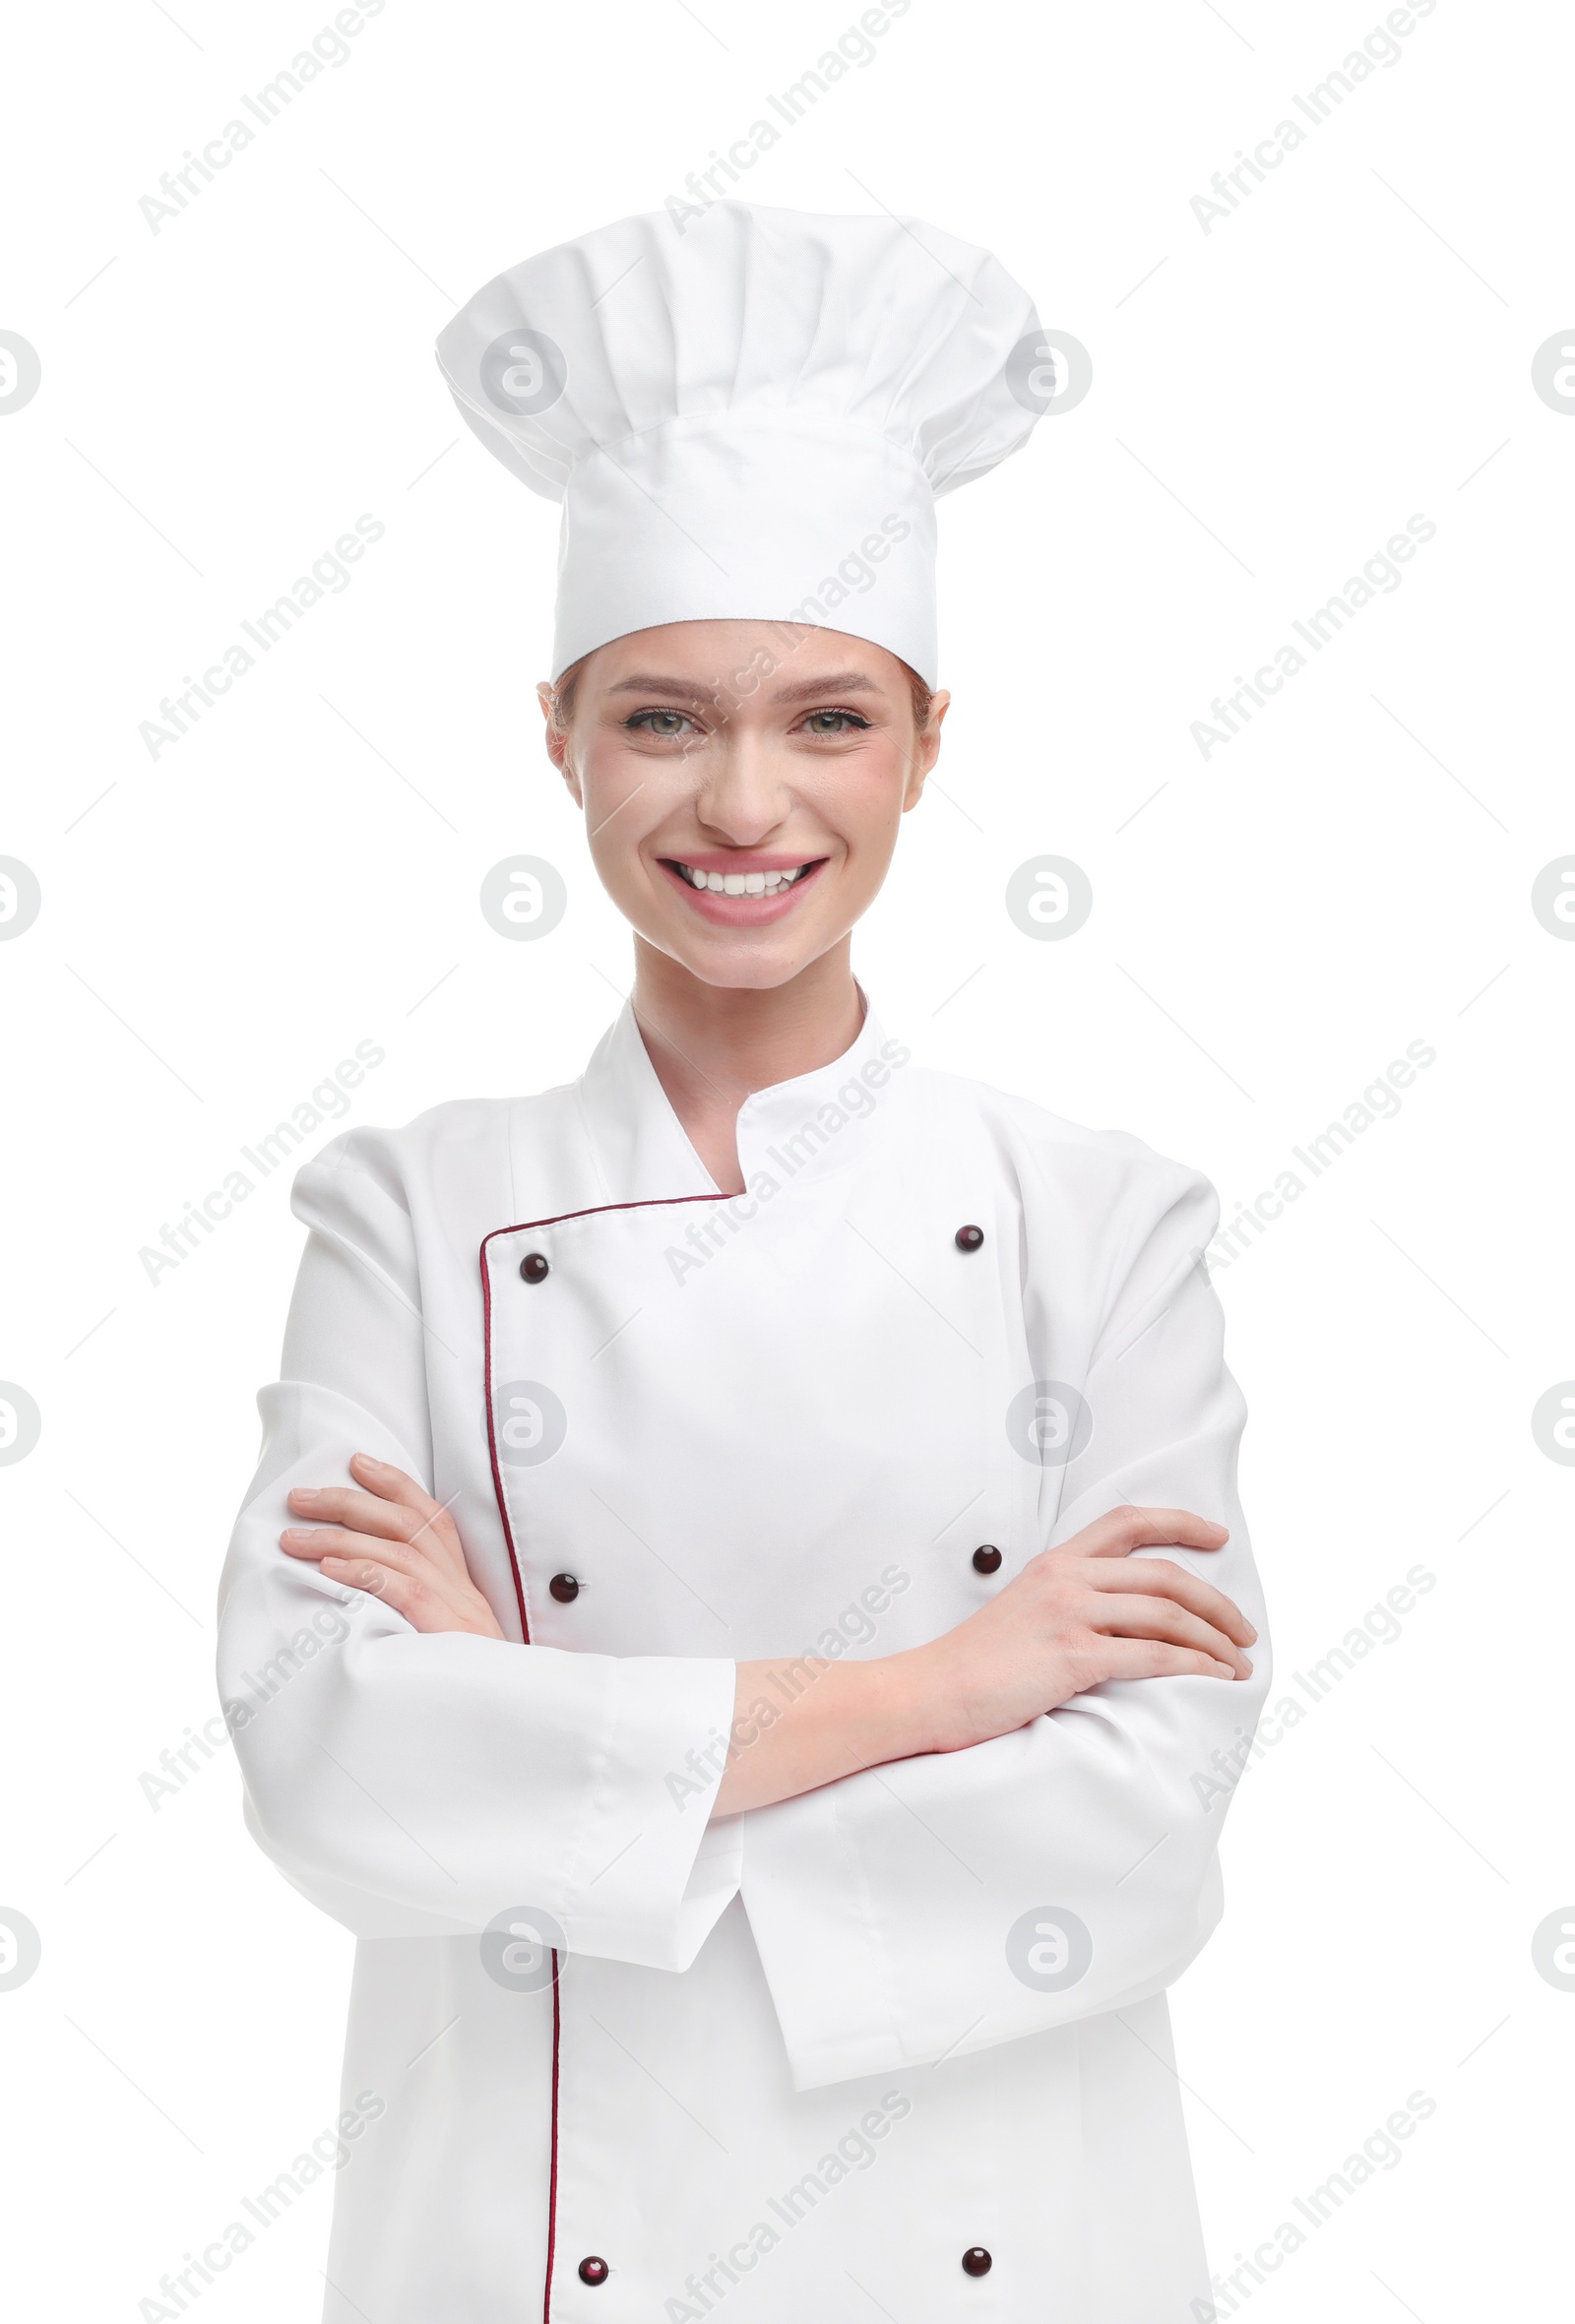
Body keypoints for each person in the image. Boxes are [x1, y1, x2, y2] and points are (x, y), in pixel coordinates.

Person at [218, 199, 1269, 2324]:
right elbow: (333, 1762)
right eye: (662, 718)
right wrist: (949, 1690)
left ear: (925, 745)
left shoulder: (1105, 1223)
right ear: (560, 737)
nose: (743, 803)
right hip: (514, 2250)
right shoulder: (402, 1213)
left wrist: (541, 1743)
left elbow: (1134, 1839)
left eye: (825, 720)